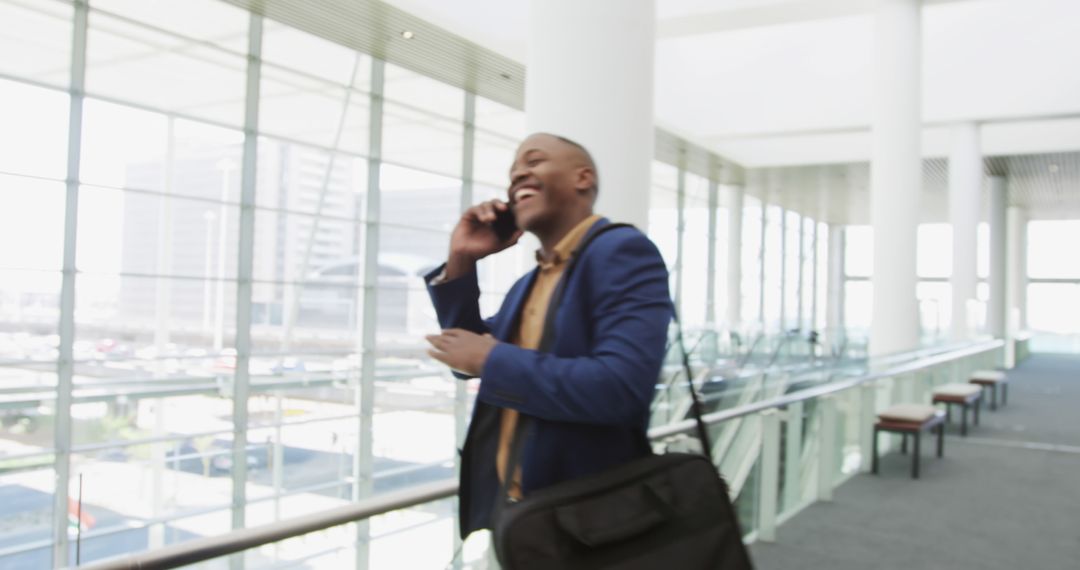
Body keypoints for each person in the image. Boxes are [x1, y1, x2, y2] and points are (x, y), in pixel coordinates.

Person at [423, 132, 673, 540]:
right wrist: (462, 258)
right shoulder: (531, 282)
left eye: (534, 161)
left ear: (582, 178)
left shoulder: (623, 251)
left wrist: (490, 359)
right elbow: (464, 357)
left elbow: (622, 388)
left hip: (590, 525)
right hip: (522, 517)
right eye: (513, 170)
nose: (518, 172)